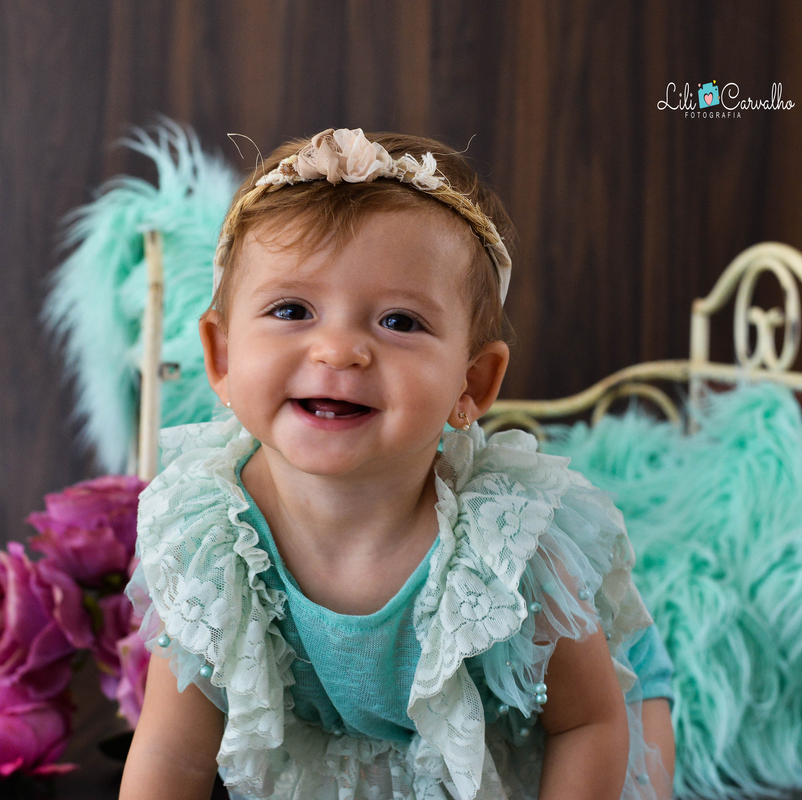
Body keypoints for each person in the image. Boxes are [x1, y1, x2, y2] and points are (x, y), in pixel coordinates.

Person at [120, 128, 675, 800]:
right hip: (360, 753)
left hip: (578, 721)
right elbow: (172, 755)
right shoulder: (210, 538)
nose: (339, 350)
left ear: (472, 383)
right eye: (292, 309)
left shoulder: (504, 549)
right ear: (222, 358)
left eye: (399, 322)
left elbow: (587, 725)